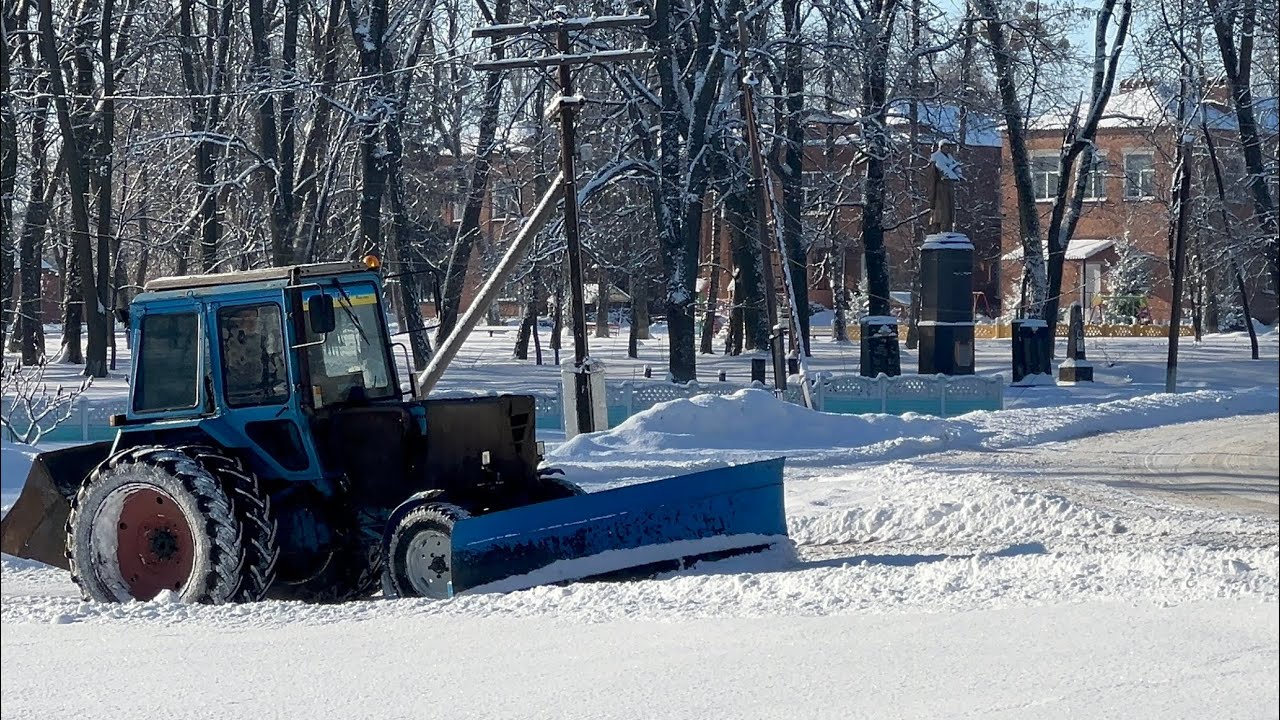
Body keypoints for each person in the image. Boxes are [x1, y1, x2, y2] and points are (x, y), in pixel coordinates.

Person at [926, 140, 963, 234]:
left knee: (950, 210)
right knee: (942, 211)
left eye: (948, 147)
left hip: (949, 188)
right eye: (945, 147)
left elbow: (957, 171)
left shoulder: (950, 158)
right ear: (941, 147)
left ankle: (948, 228)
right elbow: (937, 175)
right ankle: (941, 229)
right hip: (940, 189)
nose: (947, 149)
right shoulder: (936, 157)